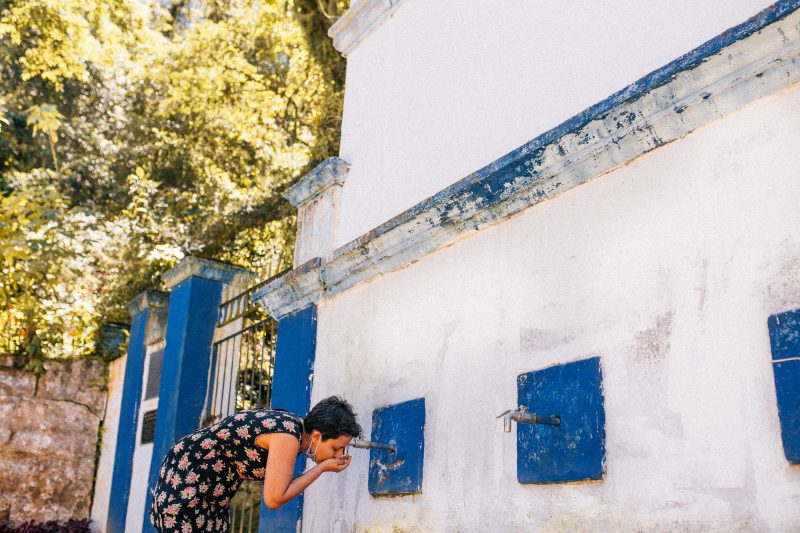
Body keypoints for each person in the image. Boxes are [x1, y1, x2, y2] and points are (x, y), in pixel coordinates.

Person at [149, 396, 361, 532]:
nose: (339, 454)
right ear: (316, 436)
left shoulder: (294, 429)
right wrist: (322, 467)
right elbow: (274, 498)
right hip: (189, 480)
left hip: (212, 493)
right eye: (336, 447)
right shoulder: (288, 435)